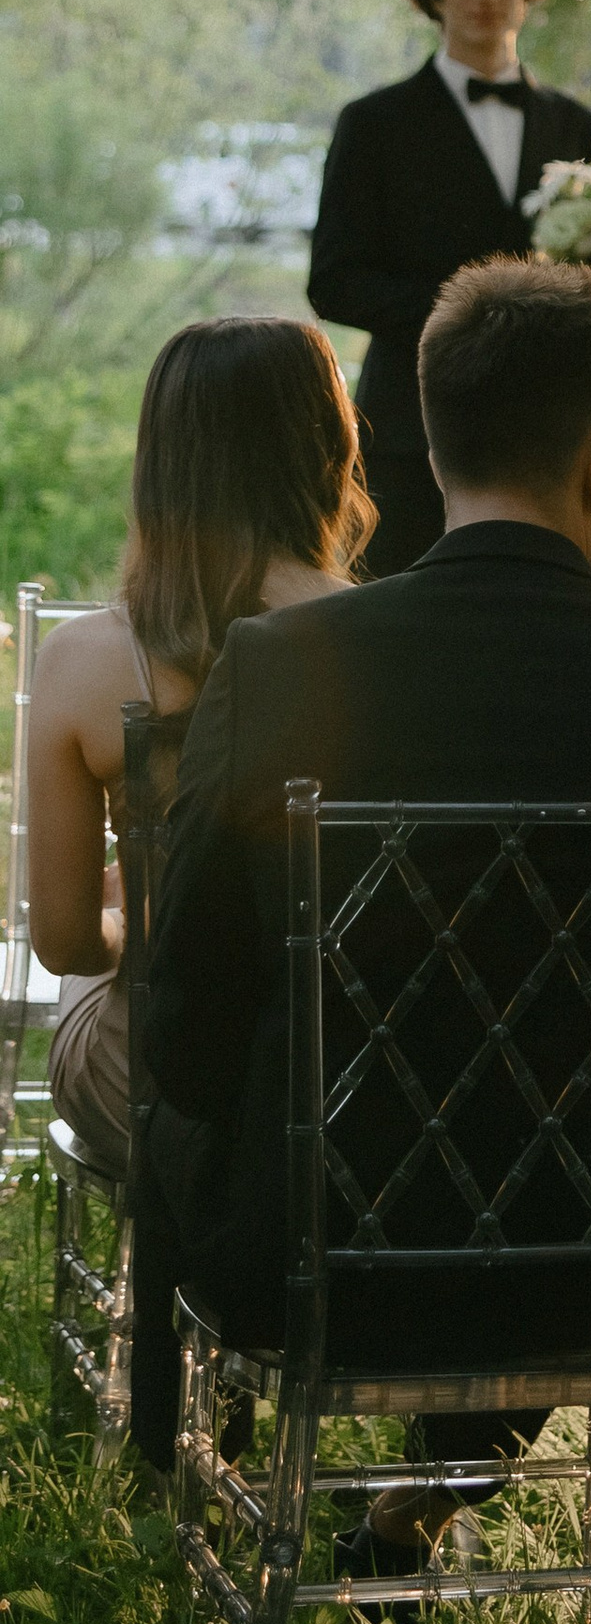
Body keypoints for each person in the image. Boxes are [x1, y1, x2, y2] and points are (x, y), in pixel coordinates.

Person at [137, 261, 591, 1539]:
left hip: (299, 1251)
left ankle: (190, 1485)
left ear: (429, 447)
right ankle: (425, 1504)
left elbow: (186, 1016)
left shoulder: (280, 667)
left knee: (182, 1120)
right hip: (584, 1266)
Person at [31, 319, 371, 1178]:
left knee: (99, 948)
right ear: (330, 450)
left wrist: (137, 910)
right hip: (352, 1085)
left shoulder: (82, 660)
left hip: (163, 1092)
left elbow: (63, 943)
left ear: (160, 461)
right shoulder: (381, 641)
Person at [307, 0, 591, 579]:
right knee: (393, 611)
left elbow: (589, 279)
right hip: (409, 424)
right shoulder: (374, 123)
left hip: (543, 426)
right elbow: (334, 281)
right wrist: (475, 315)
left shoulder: (572, 124)